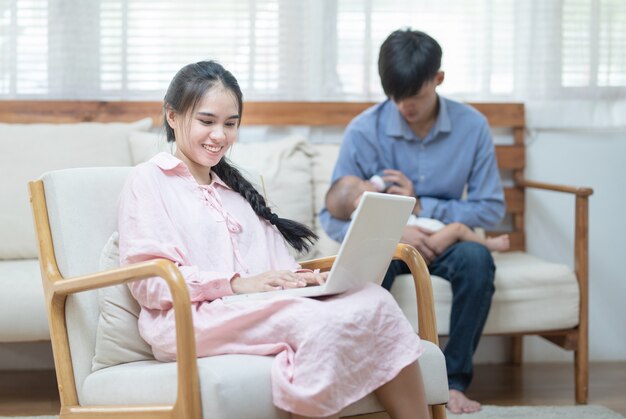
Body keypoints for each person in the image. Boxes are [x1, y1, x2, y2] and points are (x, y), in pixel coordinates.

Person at [117, 60, 429, 419]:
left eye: (230, 124)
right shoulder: (148, 181)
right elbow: (150, 283)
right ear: (172, 116)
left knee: (374, 298)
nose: (219, 136)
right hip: (189, 319)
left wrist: (305, 280)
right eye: (207, 121)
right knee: (315, 322)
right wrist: (236, 284)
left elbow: (275, 267)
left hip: (254, 305)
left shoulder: (235, 188)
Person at [320, 29, 506, 414]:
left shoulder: (472, 127)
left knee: (478, 261)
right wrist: (392, 230)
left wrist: (419, 207)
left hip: (449, 244)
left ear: (438, 79)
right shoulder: (363, 130)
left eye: (415, 96)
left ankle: (453, 382)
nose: (404, 106)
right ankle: (370, 374)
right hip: (392, 246)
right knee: (369, 264)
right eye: (396, 97)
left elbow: (490, 208)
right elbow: (332, 214)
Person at [327, 175, 509, 258]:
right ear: (359, 201)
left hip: (425, 239)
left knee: (472, 255)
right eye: (362, 183)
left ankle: (480, 247)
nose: (368, 180)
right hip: (429, 239)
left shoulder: (374, 207)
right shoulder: (366, 210)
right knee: (458, 229)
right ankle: (488, 244)